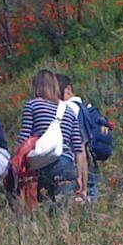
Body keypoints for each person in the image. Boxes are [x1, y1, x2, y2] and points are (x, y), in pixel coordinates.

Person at [16, 69, 86, 205]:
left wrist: (13, 163)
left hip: (41, 165)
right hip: (66, 165)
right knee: (63, 213)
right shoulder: (69, 111)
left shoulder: (32, 105)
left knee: (43, 211)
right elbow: (78, 148)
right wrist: (79, 176)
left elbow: (23, 138)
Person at [57, 74, 109, 203]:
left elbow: (79, 143)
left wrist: (80, 176)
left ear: (68, 89)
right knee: (92, 197)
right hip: (91, 159)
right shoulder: (83, 107)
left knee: (81, 198)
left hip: (81, 162)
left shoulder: (71, 108)